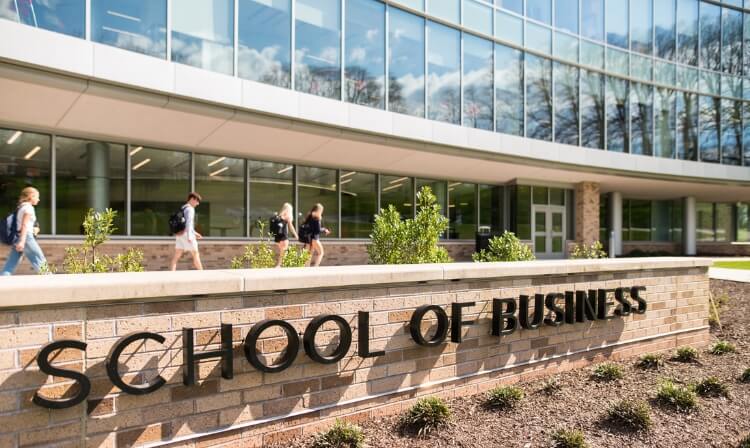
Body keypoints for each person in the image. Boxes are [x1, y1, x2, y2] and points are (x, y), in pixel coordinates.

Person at [2, 187, 47, 275]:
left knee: (11, 263)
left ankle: (3, 278)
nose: (38, 199)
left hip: (19, 237)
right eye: (37, 197)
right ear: (31, 196)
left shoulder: (21, 207)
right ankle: (49, 279)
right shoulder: (28, 208)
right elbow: (24, 225)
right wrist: (22, 241)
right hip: (26, 237)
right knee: (39, 258)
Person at [169, 192, 203, 271]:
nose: (197, 203)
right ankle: (202, 274)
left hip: (179, 234)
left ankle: (171, 274)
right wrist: (190, 237)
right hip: (186, 234)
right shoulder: (190, 209)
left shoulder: (183, 208)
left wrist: (196, 233)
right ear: (192, 199)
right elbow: (189, 224)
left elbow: (185, 224)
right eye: (197, 201)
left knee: (176, 256)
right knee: (196, 254)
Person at [273, 203, 299, 268]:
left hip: (278, 237)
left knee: (282, 251)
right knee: (284, 251)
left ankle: (280, 265)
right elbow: (291, 227)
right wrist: (296, 235)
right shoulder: (287, 217)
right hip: (284, 236)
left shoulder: (279, 216)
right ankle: (279, 265)